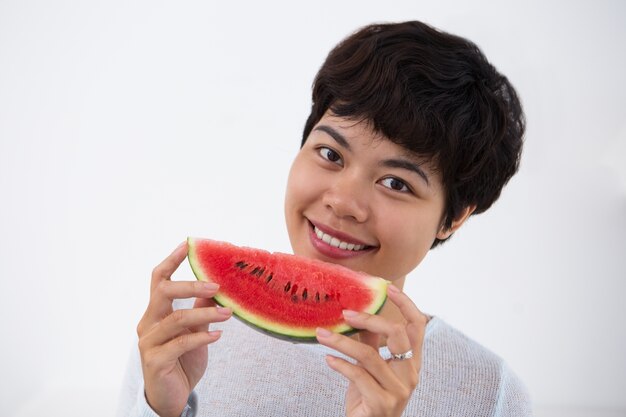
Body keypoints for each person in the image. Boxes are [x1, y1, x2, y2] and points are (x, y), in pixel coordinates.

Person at [117, 20, 531, 417]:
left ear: (453, 218)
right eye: (331, 154)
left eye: (396, 183)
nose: (342, 202)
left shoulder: (489, 392)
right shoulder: (181, 331)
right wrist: (160, 409)